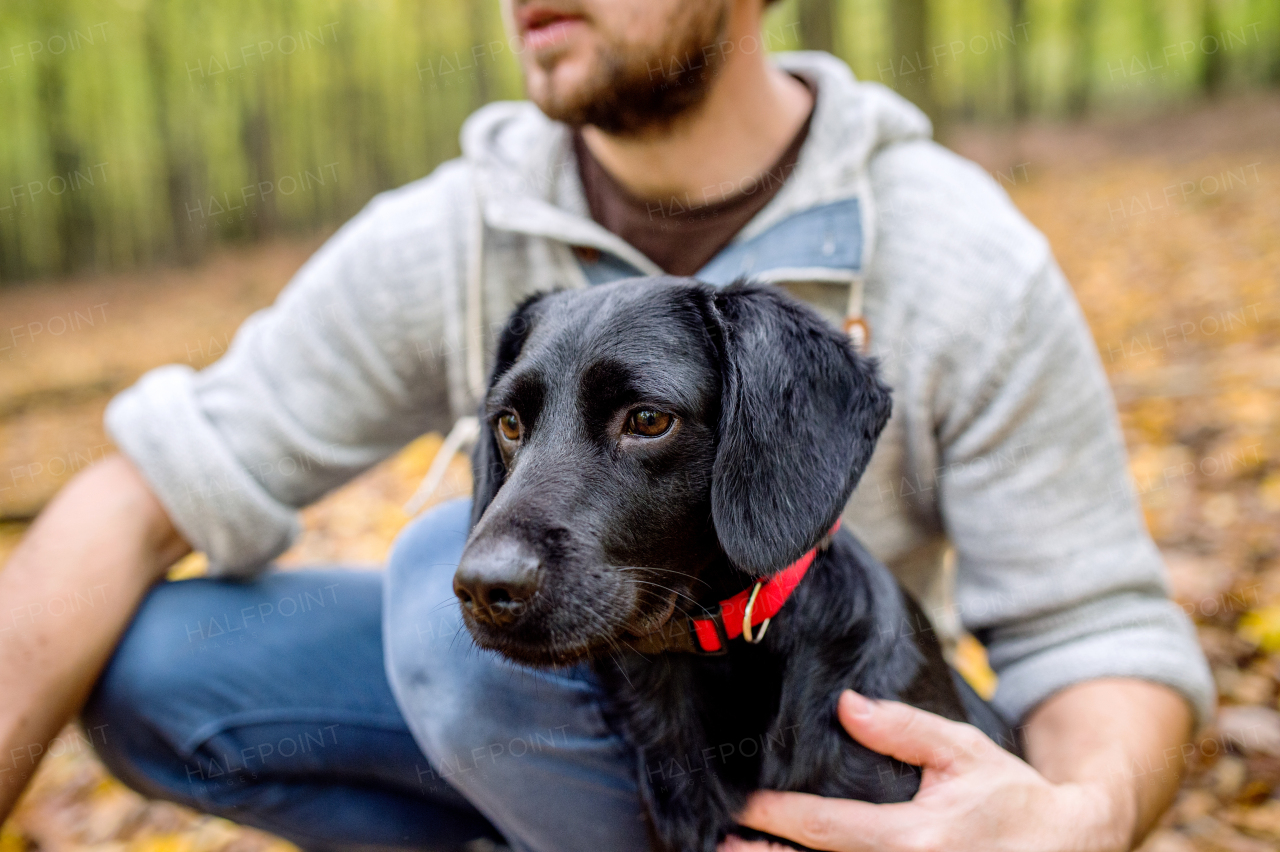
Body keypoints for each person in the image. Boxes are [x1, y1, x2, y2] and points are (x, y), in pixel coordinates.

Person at [0, 0, 1213, 850]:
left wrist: (1072, 823)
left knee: (449, 576)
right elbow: (140, 488)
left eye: (640, 417)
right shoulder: (447, 231)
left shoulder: (964, 256)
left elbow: (1096, 626)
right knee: (195, 651)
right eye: (512, 430)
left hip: (799, 702)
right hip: (536, 700)